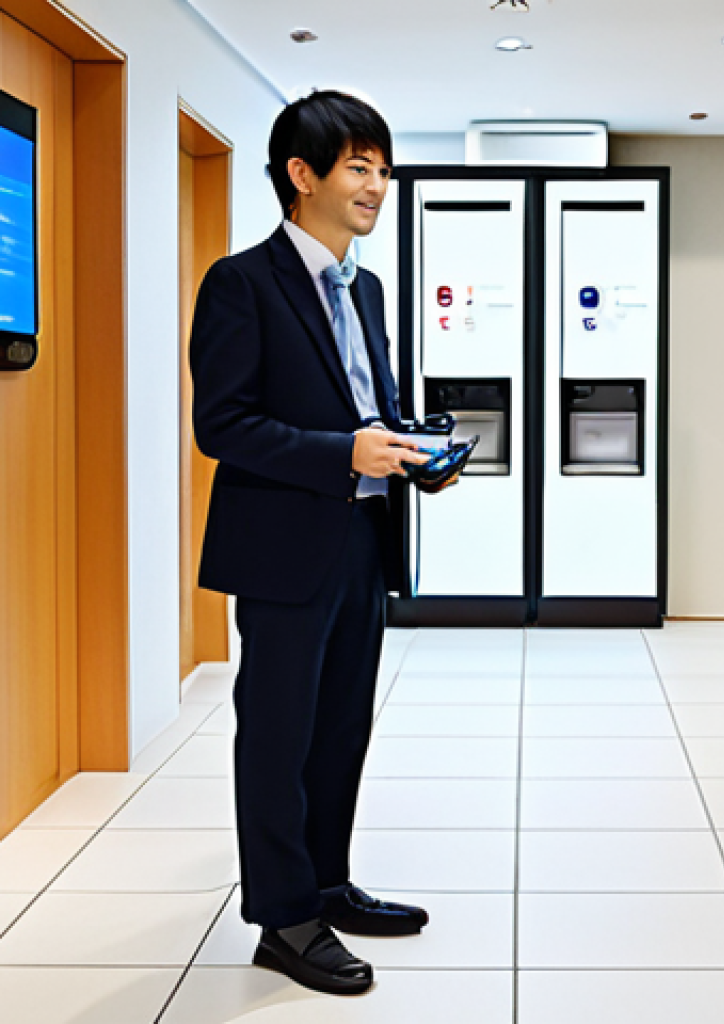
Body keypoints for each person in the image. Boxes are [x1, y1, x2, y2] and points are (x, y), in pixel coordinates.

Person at [190, 90, 431, 997]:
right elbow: (225, 425)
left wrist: (407, 447)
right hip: (284, 546)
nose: (378, 185)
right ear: (302, 175)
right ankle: (284, 917)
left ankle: (326, 882)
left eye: (382, 168)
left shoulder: (362, 284)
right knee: (280, 733)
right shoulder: (241, 283)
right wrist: (347, 451)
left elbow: (365, 405)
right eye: (358, 168)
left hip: (362, 533)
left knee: (340, 727)